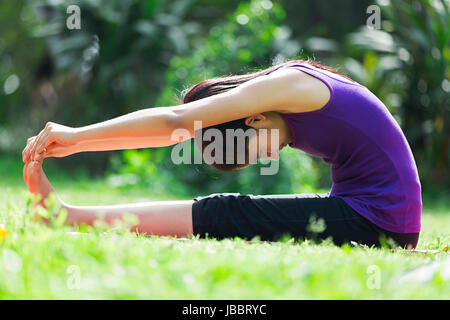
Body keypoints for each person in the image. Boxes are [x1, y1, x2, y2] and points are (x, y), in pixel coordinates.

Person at [22, 58, 422, 249]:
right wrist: (77, 143)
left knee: (227, 212)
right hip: (369, 211)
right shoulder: (285, 99)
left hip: (379, 220)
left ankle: (66, 216)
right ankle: (65, 214)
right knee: (235, 210)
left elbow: (175, 122)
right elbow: (174, 131)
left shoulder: (290, 88)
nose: (266, 158)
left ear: (250, 120)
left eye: (245, 155)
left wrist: (75, 136)